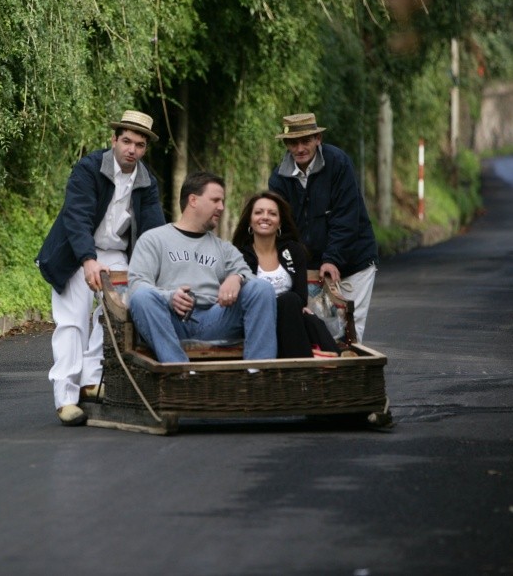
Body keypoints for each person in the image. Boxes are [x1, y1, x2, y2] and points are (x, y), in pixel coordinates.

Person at [36, 110, 166, 426]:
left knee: (112, 316)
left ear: (145, 148)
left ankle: (91, 380)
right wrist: (88, 259)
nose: (131, 149)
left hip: (118, 255)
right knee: (72, 321)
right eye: (126, 141)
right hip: (75, 253)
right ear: (114, 140)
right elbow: (76, 217)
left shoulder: (147, 182)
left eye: (139, 144)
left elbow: (152, 230)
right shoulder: (89, 168)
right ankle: (65, 398)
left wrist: (156, 269)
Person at [127, 171, 278, 364]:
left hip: (215, 320)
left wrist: (236, 278)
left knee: (262, 288)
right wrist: (170, 297)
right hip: (170, 322)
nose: (221, 207)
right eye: (215, 200)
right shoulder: (154, 239)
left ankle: (258, 374)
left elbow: (249, 276)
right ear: (193, 200)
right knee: (141, 297)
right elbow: (137, 285)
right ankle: (179, 372)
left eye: (222, 201)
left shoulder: (223, 247)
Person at [268, 112, 378, 341]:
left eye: (306, 141)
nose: (300, 148)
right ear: (287, 145)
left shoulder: (337, 162)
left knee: (349, 332)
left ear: (318, 139)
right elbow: (283, 229)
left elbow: (346, 217)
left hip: (353, 262)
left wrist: (333, 258)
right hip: (310, 268)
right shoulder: (278, 179)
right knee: (319, 331)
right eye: (293, 143)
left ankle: (349, 376)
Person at [231, 191, 339, 358]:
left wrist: (293, 308)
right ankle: (312, 365)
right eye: (259, 212)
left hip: (291, 316)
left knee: (298, 309)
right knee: (293, 307)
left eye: (272, 213)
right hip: (255, 320)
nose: (265, 217)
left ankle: (328, 363)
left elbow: (301, 296)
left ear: (280, 222)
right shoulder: (238, 255)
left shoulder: (294, 250)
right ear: (250, 221)